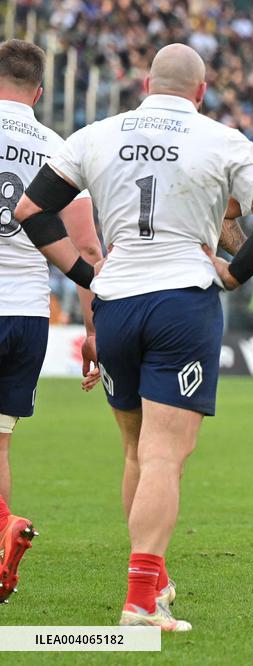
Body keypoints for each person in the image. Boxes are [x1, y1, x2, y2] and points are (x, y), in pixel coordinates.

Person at [16, 43, 253, 629]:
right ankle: (142, 602)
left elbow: (30, 210)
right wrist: (232, 272)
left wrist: (86, 274)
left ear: (146, 83)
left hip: (118, 300)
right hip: (182, 300)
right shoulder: (221, 137)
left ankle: (156, 582)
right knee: (166, 455)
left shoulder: (95, 134)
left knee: (136, 452)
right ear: (201, 92)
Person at [0, 39, 101, 603]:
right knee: (1, 444)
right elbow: (86, 249)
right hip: (28, 314)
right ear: (39, 92)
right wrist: (92, 333)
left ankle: (3, 527)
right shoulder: (58, 149)